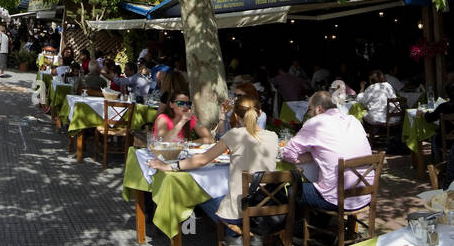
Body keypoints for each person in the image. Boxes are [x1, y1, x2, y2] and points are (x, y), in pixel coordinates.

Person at [149, 93, 279, 226]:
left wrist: (170, 166)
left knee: (200, 197)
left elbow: (202, 160)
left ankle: (233, 235)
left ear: (236, 115)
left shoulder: (234, 134)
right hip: (268, 206)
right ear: (260, 113)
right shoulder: (273, 136)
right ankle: (252, 234)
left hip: (240, 210)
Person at [279, 89, 373, 214]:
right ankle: (322, 225)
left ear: (319, 109)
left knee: (288, 190)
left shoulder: (315, 123)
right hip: (365, 194)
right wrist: (316, 155)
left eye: (310, 110)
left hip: (336, 198)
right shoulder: (353, 120)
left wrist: (309, 157)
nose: (310, 114)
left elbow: (287, 154)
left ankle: (304, 228)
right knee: (319, 181)